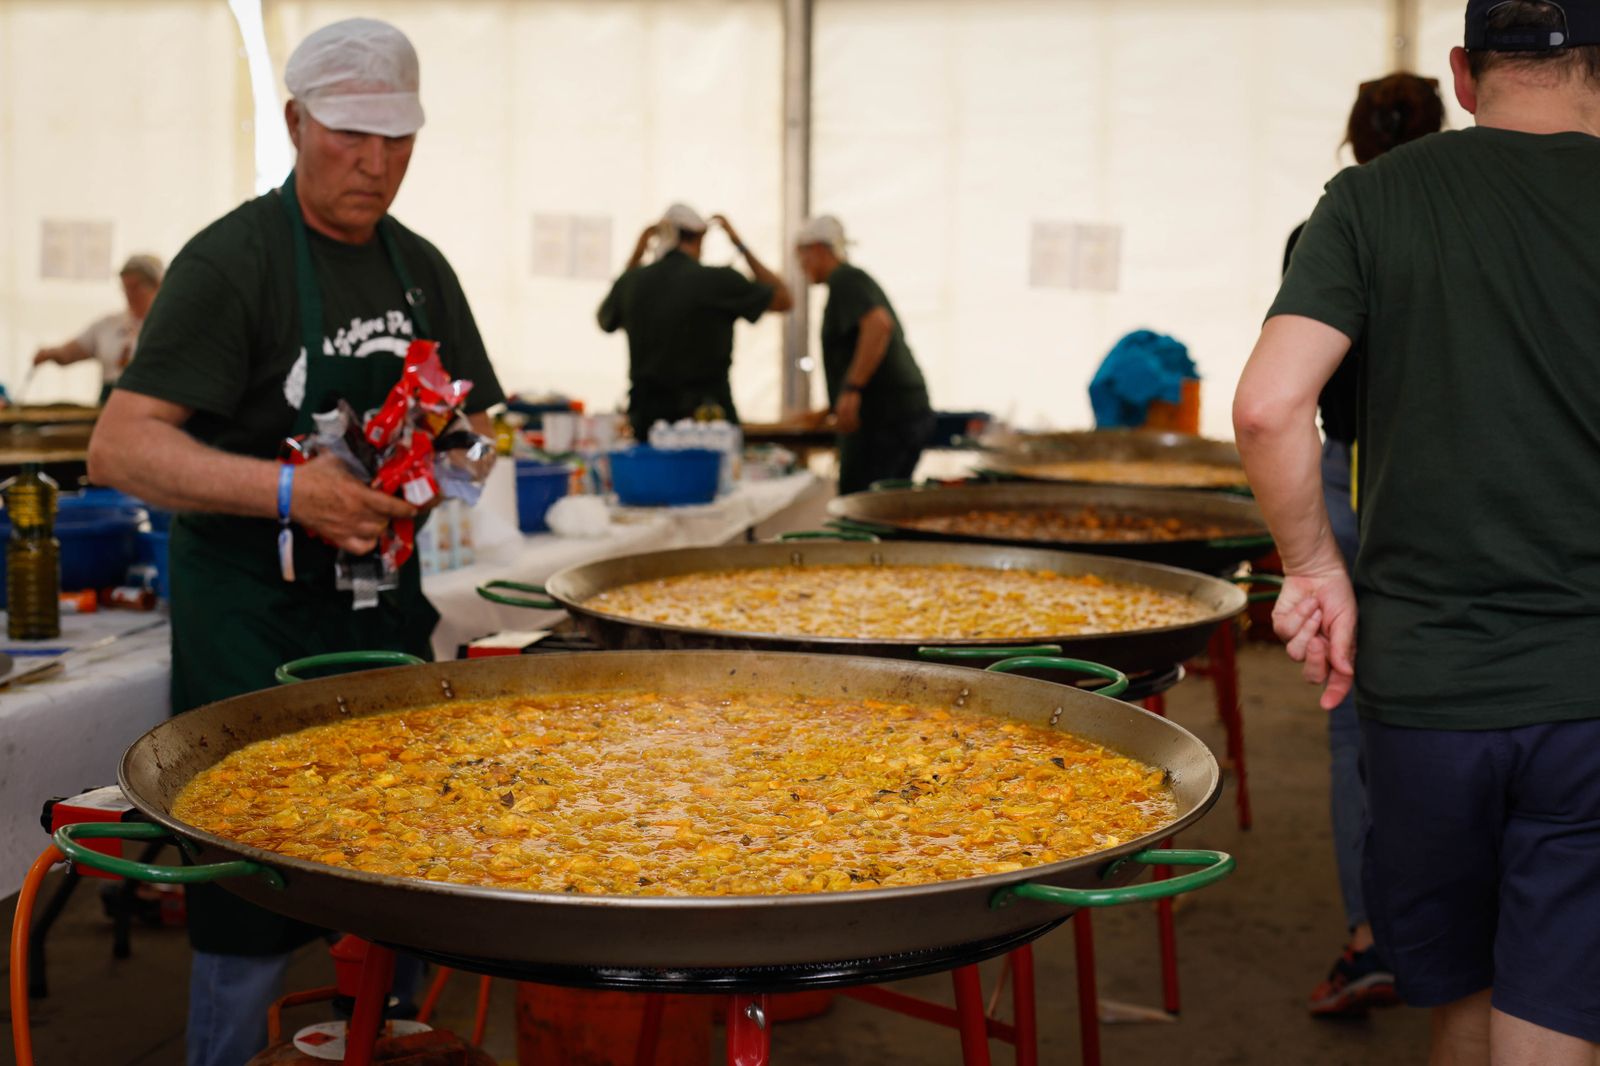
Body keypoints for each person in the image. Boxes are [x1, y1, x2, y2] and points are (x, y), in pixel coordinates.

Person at [86, 18, 504, 1066]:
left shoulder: (421, 269)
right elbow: (121, 449)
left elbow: (481, 427)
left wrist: (441, 470)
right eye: (349, 135)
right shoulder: (233, 263)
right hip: (253, 628)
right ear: (295, 123)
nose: (374, 163)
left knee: (399, 879)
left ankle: (388, 1042)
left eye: (397, 139)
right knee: (251, 891)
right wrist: (287, 490)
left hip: (380, 620)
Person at [1234, 1, 1600, 1061]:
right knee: (1557, 1010)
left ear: (1465, 75)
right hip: (1588, 691)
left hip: (1425, 686)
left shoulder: (1367, 200)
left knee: (1462, 1001)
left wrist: (1312, 566)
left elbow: (1266, 407)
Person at [1285, 72, 1445, 1019]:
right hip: (1452, 485)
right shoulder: (1482, 217)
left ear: (1352, 137)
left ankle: (1372, 938)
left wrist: (1304, 557)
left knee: (1355, 719)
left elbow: (1284, 401)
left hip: (1351, 480)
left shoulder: (1330, 226)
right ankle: (1490, 943)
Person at [598, 204, 792, 440]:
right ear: (700, 237)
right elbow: (783, 299)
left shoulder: (633, 282)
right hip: (708, 421)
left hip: (649, 420)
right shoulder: (719, 281)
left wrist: (637, 255)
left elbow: (605, 318)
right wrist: (739, 244)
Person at [795, 215, 934, 495]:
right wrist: (832, 405)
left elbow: (878, 325)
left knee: (861, 503)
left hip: (886, 418)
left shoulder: (845, 279)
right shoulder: (847, 284)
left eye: (803, 257)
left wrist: (851, 389)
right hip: (897, 413)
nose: (801, 266)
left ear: (818, 250)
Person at [33, 254, 164, 403]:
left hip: (151, 400)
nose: (130, 294)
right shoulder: (109, 324)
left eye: (137, 287)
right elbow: (71, 352)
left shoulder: (167, 326)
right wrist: (50, 353)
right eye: (126, 287)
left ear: (158, 286)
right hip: (110, 399)